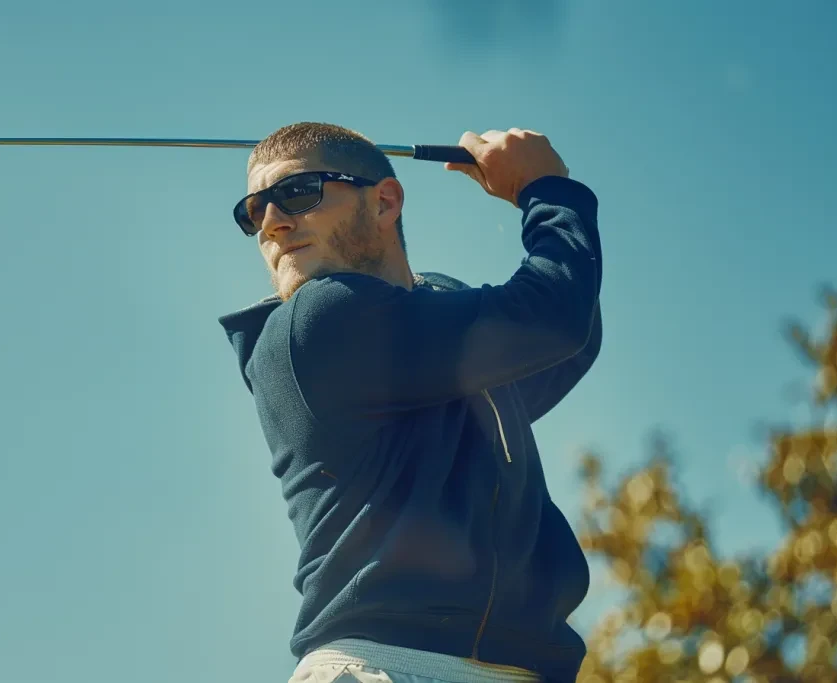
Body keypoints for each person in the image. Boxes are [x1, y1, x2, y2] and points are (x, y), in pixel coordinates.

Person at [217, 122, 603, 683]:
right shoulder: (321, 321)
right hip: (391, 666)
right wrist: (544, 188)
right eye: (255, 212)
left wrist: (542, 210)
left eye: (297, 194)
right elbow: (552, 317)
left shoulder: (417, 340)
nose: (272, 223)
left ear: (385, 201)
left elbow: (571, 333)